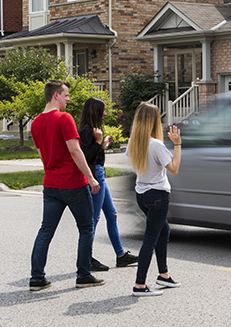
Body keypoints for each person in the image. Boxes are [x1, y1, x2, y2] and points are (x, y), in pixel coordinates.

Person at [29, 80, 104, 291]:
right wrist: (90, 177)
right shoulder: (64, 118)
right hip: (73, 184)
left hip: (51, 184)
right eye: (66, 95)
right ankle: (83, 275)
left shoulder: (35, 123)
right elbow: (75, 150)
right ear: (56, 96)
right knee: (86, 227)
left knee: (46, 230)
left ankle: (37, 278)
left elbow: (43, 155)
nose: (68, 99)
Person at [127, 102, 182, 297]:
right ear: (153, 121)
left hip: (142, 195)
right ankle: (139, 285)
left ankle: (163, 275)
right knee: (150, 238)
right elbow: (174, 168)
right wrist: (177, 144)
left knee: (163, 230)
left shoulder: (134, 143)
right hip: (157, 196)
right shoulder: (156, 145)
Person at [78, 97, 138, 271]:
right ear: (95, 111)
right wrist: (98, 142)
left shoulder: (94, 131)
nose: (105, 113)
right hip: (96, 175)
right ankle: (86, 258)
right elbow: (86, 156)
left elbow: (94, 154)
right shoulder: (86, 131)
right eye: (103, 110)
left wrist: (103, 144)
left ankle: (121, 255)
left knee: (111, 214)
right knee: (93, 219)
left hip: (100, 174)